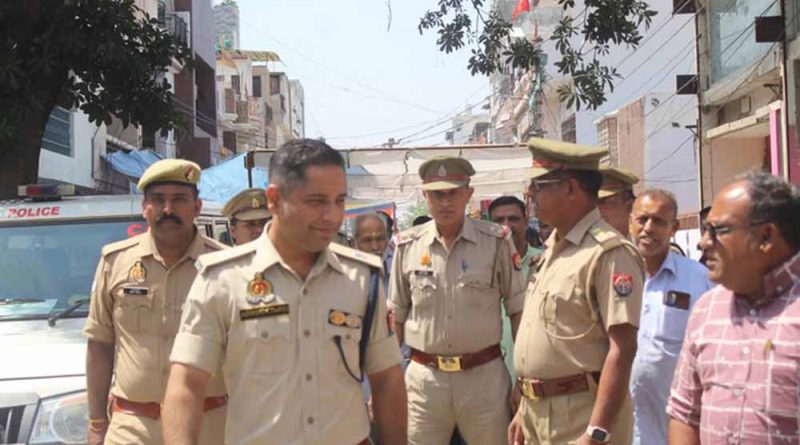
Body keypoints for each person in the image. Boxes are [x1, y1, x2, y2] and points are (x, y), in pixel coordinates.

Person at [162, 139, 407, 445]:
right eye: (316, 202)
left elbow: (387, 381)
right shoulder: (222, 280)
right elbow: (186, 385)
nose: (332, 216)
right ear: (274, 199)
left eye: (339, 201)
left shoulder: (361, 278)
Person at [509, 137, 645, 445]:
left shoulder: (608, 252)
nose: (531, 194)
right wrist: (525, 408)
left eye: (540, 185)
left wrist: (596, 432)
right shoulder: (551, 251)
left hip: (581, 417)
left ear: (570, 188)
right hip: (537, 415)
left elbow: (623, 348)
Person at [83, 159, 227, 445]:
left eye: (179, 200)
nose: (168, 209)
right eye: (158, 200)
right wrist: (97, 422)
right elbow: (99, 344)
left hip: (207, 424)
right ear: (144, 207)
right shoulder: (115, 261)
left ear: (197, 207)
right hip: (132, 426)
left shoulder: (223, 266)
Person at [389, 156, 526, 445]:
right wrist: (387, 383)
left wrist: (524, 380)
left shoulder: (496, 242)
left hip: (483, 379)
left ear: (468, 194)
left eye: (453, 193)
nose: (445, 202)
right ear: (425, 196)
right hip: (424, 382)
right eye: (437, 194)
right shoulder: (407, 246)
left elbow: (518, 312)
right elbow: (395, 319)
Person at [667, 171, 800, 445]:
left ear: (766, 237)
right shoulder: (706, 310)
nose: (704, 242)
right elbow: (685, 414)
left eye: (718, 230)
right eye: (705, 229)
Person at [627, 189, 712, 445]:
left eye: (658, 221)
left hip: (675, 428)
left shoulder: (698, 279)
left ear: (673, 228)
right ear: (630, 222)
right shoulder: (611, 275)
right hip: (622, 428)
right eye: (642, 219)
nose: (648, 228)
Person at [489, 196, 541, 278]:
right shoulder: (481, 264)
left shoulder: (543, 260)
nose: (506, 226)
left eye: (513, 219)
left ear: (526, 222)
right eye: (499, 220)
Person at [598, 165, 639, 237]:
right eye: (594, 203)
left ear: (630, 205)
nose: (598, 209)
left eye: (606, 202)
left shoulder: (644, 241)